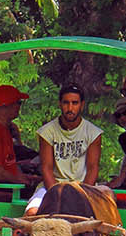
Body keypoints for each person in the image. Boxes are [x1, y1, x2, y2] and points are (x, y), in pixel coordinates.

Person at [24, 84, 103, 216]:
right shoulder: (47, 132)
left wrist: (80, 196)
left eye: (74, 103)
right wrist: (58, 195)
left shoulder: (93, 132)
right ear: (60, 104)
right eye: (66, 103)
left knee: (102, 218)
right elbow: (46, 168)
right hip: (52, 187)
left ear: (82, 105)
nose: (70, 108)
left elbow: (93, 168)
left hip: (84, 189)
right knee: (31, 213)